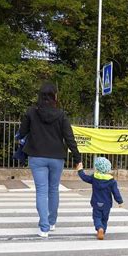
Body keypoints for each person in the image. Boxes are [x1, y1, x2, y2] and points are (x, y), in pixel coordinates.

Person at [19, 82, 82, 238]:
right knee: (53, 189)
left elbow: (21, 133)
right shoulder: (61, 115)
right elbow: (69, 138)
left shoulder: (31, 112)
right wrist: (77, 158)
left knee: (41, 191)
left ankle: (44, 228)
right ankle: (52, 222)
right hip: (56, 158)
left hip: (37, 157)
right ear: (55, 96)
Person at [76, 157, 123, 240]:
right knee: (105, 218)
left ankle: (99, 228)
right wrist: (120, 201)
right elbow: (116, 192)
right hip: (107, 204)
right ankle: (103, 231)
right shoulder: (112, 181)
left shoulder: (94, 177)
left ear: (97, 168)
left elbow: (84, 177)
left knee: (97, 217)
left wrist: (80, 170)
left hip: (96, 202)